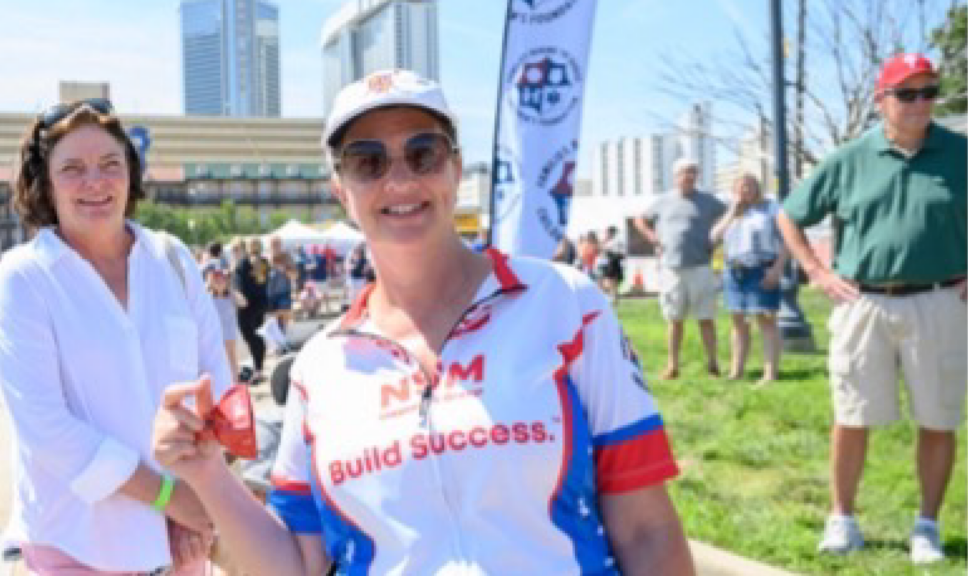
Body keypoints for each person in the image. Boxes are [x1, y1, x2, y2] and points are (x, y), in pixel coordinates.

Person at [153, 69, 694, 575]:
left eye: (423, 153)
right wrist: (208, 474)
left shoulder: (565, 303)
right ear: (341, 190)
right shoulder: (319, 367)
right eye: (368, 162)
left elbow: (647, 529)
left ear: (455, 170)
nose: (400, 180)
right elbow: (298, 563)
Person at [0, 98, 232, 574]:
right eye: (73, 168)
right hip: (77, 548)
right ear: (46, 184)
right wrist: (168, 497)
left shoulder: (175, 260)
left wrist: (199, 501)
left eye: (109, 164)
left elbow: (216, 393)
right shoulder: (26, 277)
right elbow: (48, 431)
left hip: (181, 548)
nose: (94, 181)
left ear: (131, 173)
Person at [776, 54, 966, 564]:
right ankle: (842, 518)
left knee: (938, 418)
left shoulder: (960, 153)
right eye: (907, 94)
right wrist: (816, 272)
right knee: (852, 414)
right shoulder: (849, 158)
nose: (921, 103)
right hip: (863, 304)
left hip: (940, 301)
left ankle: (926, 526)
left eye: (929, 92)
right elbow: (790, 216)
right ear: (881, 100)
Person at [633, 157, 726, 379]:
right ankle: (672, 366)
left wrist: (718, 238)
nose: (688, 176)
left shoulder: (708, 201)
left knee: (706, 318)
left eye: (693, 172)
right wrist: (652, 236)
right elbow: (640, 219)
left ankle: (713, 365)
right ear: (675, 177)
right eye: (684, 172)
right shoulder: (663, 201)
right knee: (674, 320)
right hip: (672, 268)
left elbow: (728, 216)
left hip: (701, 266)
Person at [709, 173, 788, 384]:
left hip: (762, 269)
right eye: (741, 186)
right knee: (738, 322)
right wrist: (732, 213)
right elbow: (714, 237)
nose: (745, 190)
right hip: (734, 271)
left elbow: (787, 240)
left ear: (757, 188)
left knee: (766, 321)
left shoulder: (771, 208)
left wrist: (777, 269)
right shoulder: (732, 211)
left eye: (750, 186)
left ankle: (770, 373)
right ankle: (737, 370)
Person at [234, 237, 270, 384]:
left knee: (250, 337)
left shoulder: (243, 263)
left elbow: (240, 285)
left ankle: (258, 368)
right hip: (261, 304)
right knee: (256, 336)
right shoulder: (264, 262)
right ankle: (259, 368)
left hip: (246, 305)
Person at [208, 264, 246, 382]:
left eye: (222, 280)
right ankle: (220, 381)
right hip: (214, 332)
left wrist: (231, 290)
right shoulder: (208, 296)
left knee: (231, 358)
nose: (219, 283)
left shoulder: (230, 296)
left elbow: (243, 303)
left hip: (229, 331)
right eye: (216, 280)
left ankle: (234, 382)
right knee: (216, 358)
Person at [596, 226, 626, 304]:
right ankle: (610, 299)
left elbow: (621, 254)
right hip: (605, 265)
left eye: (607, 232)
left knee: (612, 284)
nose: (606, 234)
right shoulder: (605, 241)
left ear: (611, 233)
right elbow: (599, 250)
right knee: (604, 283)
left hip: (613, 264)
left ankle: (613, 300)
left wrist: (609, 252)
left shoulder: (616, 241)